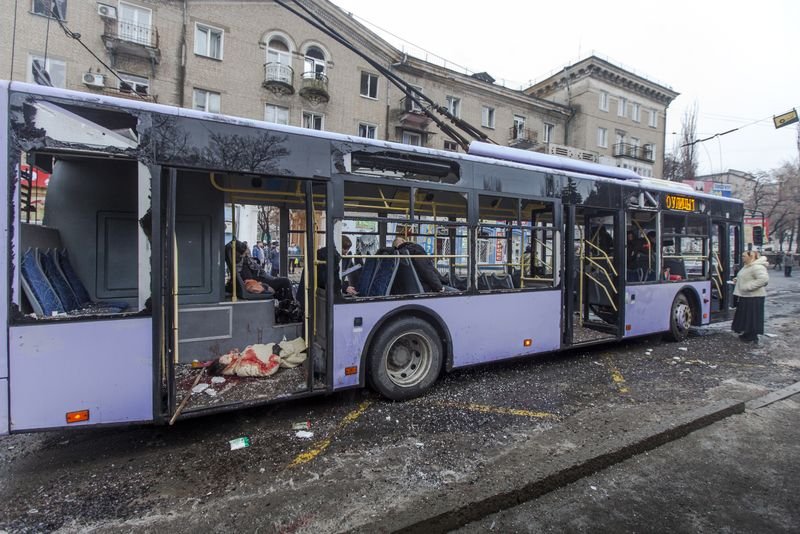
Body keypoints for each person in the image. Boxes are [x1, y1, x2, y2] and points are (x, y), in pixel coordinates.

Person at [731, 250, 769, 343]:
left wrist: (748, 287)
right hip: (746, 296)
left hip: (754, 296)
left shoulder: (757, 267)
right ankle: (747, 333)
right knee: (746, 316)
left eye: (744, 256)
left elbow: (763, 279)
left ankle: (752, 336)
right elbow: (745, 276)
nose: (742, 258)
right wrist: (737, 279)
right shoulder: (747, 266)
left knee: (752, 317)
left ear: (751, 257)